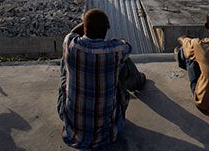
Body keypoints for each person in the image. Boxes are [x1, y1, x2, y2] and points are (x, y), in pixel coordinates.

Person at [58, 8, 146, 149]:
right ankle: (138, 81)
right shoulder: (116, 49)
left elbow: (71, 33)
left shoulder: (71, 43)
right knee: (123, 64)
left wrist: (85, 23)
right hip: (108, 132)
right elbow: (126, 46)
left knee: (65, 61)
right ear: (106, 30)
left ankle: (137, 80)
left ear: (84, 28)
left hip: (72, 128)